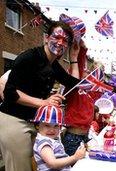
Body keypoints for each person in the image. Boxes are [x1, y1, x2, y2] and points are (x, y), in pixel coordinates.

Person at [0, 21, 81, 171]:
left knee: (37, 166)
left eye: (65, 41)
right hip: (13, 119)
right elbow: (9, 93)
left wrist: (74, 57)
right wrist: (44, 102)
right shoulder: (29, 57)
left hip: (33, 122)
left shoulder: (54, 65)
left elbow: (73, 85)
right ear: (46, 37)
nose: (60, 43)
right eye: (56, 37)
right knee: (19, 168)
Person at [32, 105, 86, 170]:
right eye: (47, 125)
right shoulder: (44, 142)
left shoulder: (50, 139)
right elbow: (52, 163)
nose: (52, 130)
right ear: (37, 125)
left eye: (56, 126)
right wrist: (75, 157)